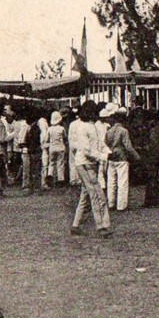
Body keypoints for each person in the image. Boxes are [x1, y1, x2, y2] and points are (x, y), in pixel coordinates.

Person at [70, 100, 111, 238]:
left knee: (86, 194)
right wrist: (105, 156)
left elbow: (100, 144)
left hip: (88, 163)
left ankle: (76, 224)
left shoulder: (93, 126)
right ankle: (102, 226)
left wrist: (108, 153)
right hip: (85, 163)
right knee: (97, 194)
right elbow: (87, 150)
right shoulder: (84, 128)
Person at [104, 105, 141, 211]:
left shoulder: (109, 131)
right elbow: (128, 147)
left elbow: (105, 144)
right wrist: (137, 157)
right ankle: (121, 205)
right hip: (122, 158)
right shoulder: (124, 131)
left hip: (111, 157)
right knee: (122, 182)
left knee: (111, 182)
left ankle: (111, 203)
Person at [22, 110, 43, 195]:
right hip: (34, 150)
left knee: (34, 170)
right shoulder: (34, 127)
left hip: (34, 151)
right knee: (34, 170)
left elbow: (33, 140)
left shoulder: (34, 128)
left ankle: (36, 188)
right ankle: (35, 188)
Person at [47, 110, 67, 187]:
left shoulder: (49, 129)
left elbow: (47, 138)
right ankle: (60, 179)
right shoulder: (61, 128)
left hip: (52, 148)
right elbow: (65, 137)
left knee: (51, 163)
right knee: (60, 164)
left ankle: (50, 174)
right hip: (60, 148)